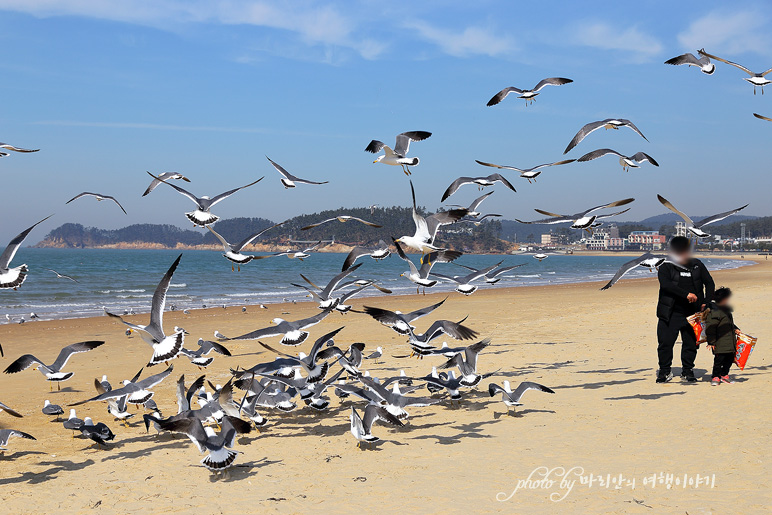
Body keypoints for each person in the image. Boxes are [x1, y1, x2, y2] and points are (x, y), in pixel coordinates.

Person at [655, 236, 715, 383]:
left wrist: (706, 302)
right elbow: (666, 285)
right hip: (670, 312)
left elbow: (710, 283)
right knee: (665, 343)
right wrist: (686, 294)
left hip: (693, 314)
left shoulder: (697, 265)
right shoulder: (665, 266)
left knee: (690, 344)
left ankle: (687, 371)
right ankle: (664, 371)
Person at [705, 287, 739, 386]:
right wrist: (711, 342)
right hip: (719, 341)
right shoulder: (714, 312)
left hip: (729, 340)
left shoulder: (726, 310)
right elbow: (710, 328)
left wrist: (736, 329)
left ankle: (724, 375)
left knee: (729, 359)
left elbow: (729, 323)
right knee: (719, 360)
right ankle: (715, 376)